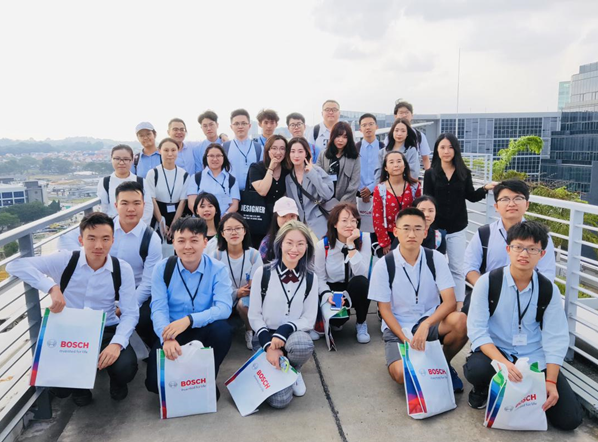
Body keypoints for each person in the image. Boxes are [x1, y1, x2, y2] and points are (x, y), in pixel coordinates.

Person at [7, 212, 139, 405]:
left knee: (125, 368)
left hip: (105, 330)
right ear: (81, 240)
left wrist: (116, 344)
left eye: (105, 239)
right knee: (59, 388)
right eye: (91, 238)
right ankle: (79, 387)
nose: (98, 246)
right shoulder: (65, 260)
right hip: (71, 333)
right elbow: (14, 265)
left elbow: (130, 313)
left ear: (113, 240)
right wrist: (51, 287)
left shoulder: (122, 268)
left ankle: (117, 382)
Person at [464, 221, 583, 430]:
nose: (524, 254)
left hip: (533, 356)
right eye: (518, 247)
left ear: (542, 254)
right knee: (477, 369)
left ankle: (530, 394)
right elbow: (477, 331)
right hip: (497, 353)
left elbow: (556, 336)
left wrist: (551, 382)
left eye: (532, 249)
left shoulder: (548, 289)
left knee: (570, 420)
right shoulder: (488, 282)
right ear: (508, 249)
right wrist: (504, 364)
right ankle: (484, 388)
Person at [369, 208, 467, 392]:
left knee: (461, 321)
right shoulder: (384, 264)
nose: (412, 234)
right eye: (406, 228)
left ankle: (443, 365)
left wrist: (426, 324)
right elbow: (384, 310)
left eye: (417, 229)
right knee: (400, 374)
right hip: (399, 327)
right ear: (395, 231)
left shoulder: (436, 258)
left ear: (425, 232)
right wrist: (405, 339)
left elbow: (450, 302)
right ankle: (422, 365)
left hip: (429, 321)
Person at [145, 217, 234, 396]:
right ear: (173, 243)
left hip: (203, 328)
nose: (187, 247)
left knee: (223, 330)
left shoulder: (217, 269)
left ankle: (207, 377)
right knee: (154, 384)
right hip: (173, 331)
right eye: (181, 241)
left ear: (205, 242)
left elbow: (224, 308)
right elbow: (159, 309)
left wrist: (189, 320)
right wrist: (166, 338)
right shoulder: (162, 268)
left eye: (194, 240)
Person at [248, 221, 318, 408]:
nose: (294, 249)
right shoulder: (263, 273)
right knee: (279, 402)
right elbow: (254, 315)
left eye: (300, 244)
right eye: (289, 243)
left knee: (303, 344)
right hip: (265, 337)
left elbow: (309, 318)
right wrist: (269, 346)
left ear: (307, 247)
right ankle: (279, 366)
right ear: (280, 244)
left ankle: (294, 370)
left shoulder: (311, 277)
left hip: (292, 336)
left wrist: (286, 329)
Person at [424, 133, 497, 309]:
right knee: (433, 267)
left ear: (456, 150)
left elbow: (471, 196)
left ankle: (457, 306)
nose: (446, 151)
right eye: (442, 147)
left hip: (457, 227)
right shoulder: (430, 173)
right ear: (437, 150)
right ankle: (434, 305)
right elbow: (426, 201)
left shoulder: (464, 173)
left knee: (457, 268)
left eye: (450, 147)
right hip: (435, 228)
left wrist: (484, 189)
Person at [464, 179, 556, 288]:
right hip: (491, 293)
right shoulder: (484, 234)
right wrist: (485, 289)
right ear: (496, 206)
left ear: (527, 204)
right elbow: (469, 266)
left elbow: (547, 273)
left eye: (518, 198)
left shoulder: (540, 235)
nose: (511, 204)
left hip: (528, 293)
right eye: (505, 199)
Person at [314, 203, 372, 343]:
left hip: (353, 287)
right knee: (336, 323)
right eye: (344, 220)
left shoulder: (364, 239)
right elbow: (320, 278)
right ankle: (335, 319)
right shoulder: (323, 246)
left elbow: (362, 273)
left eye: (353, 220)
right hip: (334, 290)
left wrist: (351, 245)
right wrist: (328, 295)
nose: (349, 225)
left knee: (362, 283)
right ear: (335, 223)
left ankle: (361, 322)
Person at [210, 213, 263, 350]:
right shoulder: (216, 256)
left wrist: (241, 293)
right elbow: (213, 286)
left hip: (246, 297)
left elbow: (254, 285)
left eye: (238, 228)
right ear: (222, 233)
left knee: (243, 303)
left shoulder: (253, 255)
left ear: (244, 231)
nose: (234, 232)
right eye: (229, 229)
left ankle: (250, 331)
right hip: (224, 297)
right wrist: (236, 293)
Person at [373, 151, 421, 255]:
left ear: (405, 165)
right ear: (385, 167)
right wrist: (385, 242)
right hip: (389, 234)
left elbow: (419, 212)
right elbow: (377, 218)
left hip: (410, 233)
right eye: (391, 162)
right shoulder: (380, 189)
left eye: (399, 161)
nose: (396, 165)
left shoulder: (414, 187)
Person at [285, 137, 334, 239]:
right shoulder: (289, 178)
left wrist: (311, 173)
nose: (296, 155)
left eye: (300, 151)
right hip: (300, 226)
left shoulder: (316, 170)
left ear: (306, 153)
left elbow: (327, 194)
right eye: (292, 151)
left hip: (319, 223)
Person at [146, 138, 190, 243]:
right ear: (159, 151)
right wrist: (161, 222)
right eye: (166, 150)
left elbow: (183, 201)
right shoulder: (153, 173)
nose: (170, 154)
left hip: (178, 213)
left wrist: (174, 223)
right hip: (157, 212)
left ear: (178, 151)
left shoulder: (184, 174)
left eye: (173, 150)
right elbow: (152, 199)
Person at [97, 144, 153, 225]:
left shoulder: (141, 181)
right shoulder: (105, 182)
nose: (121, 162)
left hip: (138, 226)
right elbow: (104, 209)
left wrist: (140, 227)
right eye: (117, 159)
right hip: (114, 226)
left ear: (132, 160)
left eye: (126, 159)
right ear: (111, 159)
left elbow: (148, 207)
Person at [186, 143, 240, 214]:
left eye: (218, 156)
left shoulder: (232, 180)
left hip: (223, 219)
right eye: (211, 156)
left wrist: (223, 218)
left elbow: (235, 205)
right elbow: (191, 203)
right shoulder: (196, 178)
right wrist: (203, 217)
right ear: (206, 157)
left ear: (223, 157)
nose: (215, 159)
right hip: (201, 219)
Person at [316, 122, 361, 203]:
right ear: (332, 136)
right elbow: (318, 178)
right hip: (326, 202)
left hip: (347, 204)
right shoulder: (323, 154)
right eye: (338, 136)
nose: (340, 140)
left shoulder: (354, 157)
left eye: (345, 137)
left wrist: (341, 204)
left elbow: (354, 184)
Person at [224, 109, 262, 191]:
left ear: (249, 126)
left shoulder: (258, 148)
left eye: (244, 123)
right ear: (231, 127)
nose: (240, 126)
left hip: (253, 194)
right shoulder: (224, 147)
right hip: (231, 193)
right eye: (236, 124)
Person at [356, 113, 384, 209]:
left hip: (379, 191)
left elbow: (384, 171)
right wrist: (363, 191)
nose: (368, 127)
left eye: (371, 124)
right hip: (358, 193)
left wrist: (371, 189)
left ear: (376, 127)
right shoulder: (355, 148)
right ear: (360, 129)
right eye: (364, 125)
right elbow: (353, 171)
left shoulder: (383, 148)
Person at [259, 197, 300, 263]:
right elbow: (261, 265)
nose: (288, 220)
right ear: (276, 217)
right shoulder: (267, 242)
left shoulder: (304, 239)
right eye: (283, 216)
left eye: (292, 216)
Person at [393, 101, 431, 170]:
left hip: (413, 174)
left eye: (407, 112)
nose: (404, 115)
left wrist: (428, 174)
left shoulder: (419, 136)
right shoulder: (390, 137)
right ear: (395, 116)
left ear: (412, 115)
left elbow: (425, 159)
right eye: (401, 113)